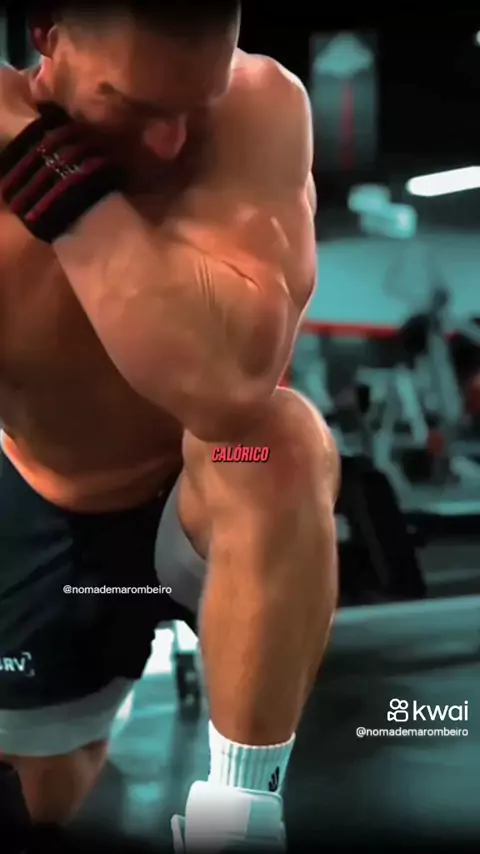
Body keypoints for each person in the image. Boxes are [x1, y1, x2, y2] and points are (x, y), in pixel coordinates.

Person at [0, 1, 339, 849]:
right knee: (43, 799)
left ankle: (241, 821)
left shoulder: (259, 107)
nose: (168, 143)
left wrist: (49, 173)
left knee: (277, 442)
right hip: (49, 508)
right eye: (134, 105)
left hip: (190, 499)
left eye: (195, 105)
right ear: (47, 33)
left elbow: (226, 390)